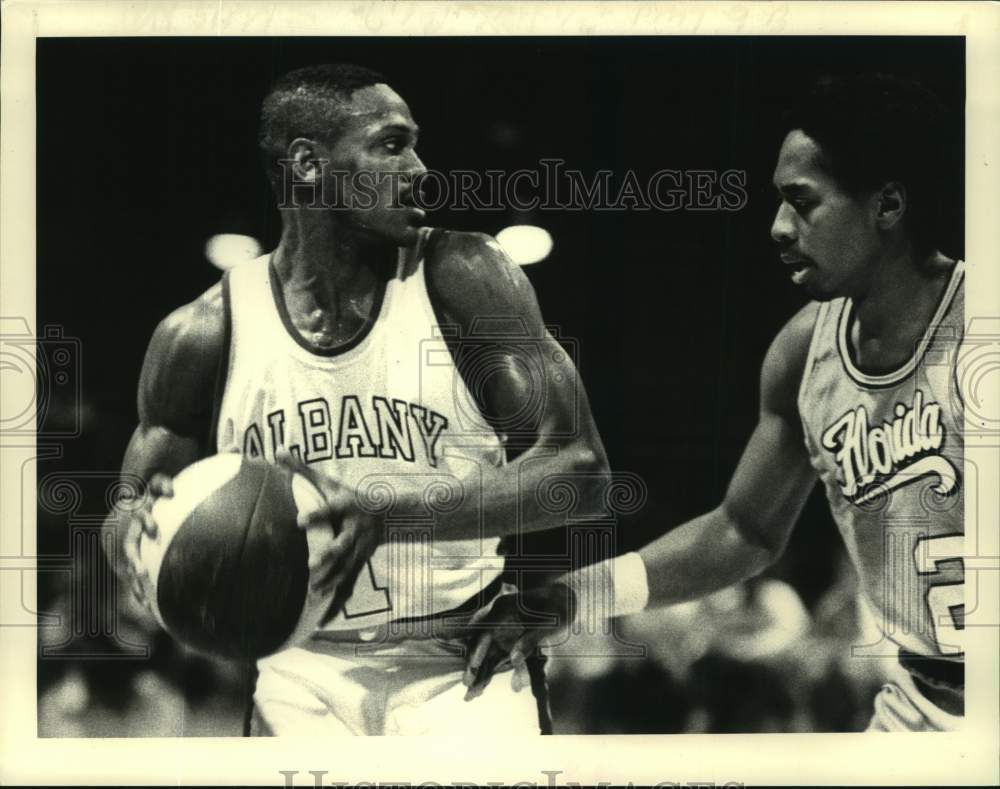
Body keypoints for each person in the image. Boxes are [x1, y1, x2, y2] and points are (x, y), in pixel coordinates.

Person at [102, 63, 611, 736]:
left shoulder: (465, 278)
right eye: (392, 144)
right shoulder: (202, 333)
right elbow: (127, 517)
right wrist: (156, 552)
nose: (421, 168)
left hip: (461, 663)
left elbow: (580, 472)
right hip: (297, 668)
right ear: (309, 164)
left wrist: (387, 515)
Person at [464, 73, 966, 733]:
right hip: (920, 702)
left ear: (888, 206)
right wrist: (571, 595)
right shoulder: (800, 354)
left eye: (802, 201)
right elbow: (744, 531)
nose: (779, 226)